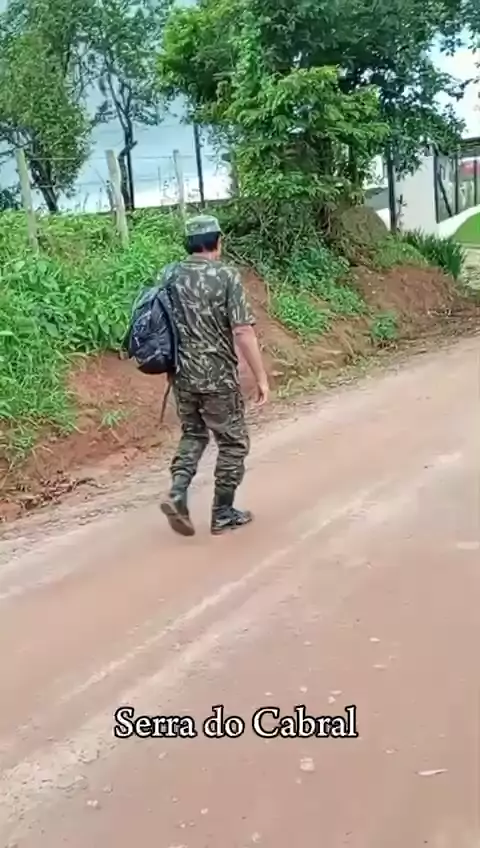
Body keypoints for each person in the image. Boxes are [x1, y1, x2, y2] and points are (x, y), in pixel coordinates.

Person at [160, 214, 269, 537]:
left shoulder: (169, 274)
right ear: (218, 241)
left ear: (189, 243)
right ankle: (222, 513)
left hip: (181, 375)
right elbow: (242, 331)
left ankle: (177, 492)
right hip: (218, 375)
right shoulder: (225, 275)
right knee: (233, 442)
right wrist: (261, 377)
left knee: (193, 434)